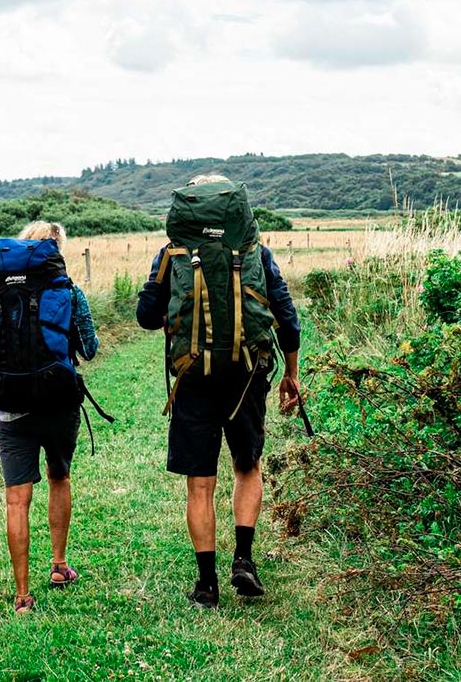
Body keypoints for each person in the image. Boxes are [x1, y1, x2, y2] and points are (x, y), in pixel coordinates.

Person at [136, 175, 303, 609]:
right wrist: (291, 373)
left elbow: (146, 317)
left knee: (200, 482)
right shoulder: (255, 253)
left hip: (193, 377)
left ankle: (206, 584)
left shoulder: (172, 254)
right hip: (247, 374)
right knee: (247, 466)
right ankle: (244, 559)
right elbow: (286, 316)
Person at [0, 221, 100, 614]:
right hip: (59, 403)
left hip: (11, 405)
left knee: (17, 500)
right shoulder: (70, 291)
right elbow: (90, 348)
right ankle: (59, 566)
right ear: (57, 251)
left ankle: (22, 596)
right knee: (59, 477)